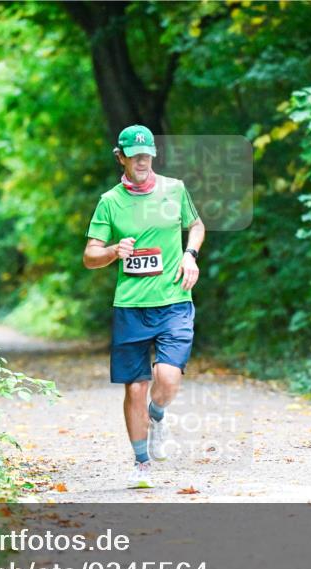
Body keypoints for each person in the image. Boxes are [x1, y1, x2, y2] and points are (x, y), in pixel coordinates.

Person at [83, 124, 205, 489]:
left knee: (167, 379)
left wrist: (189, 255)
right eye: (134, 155)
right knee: (134, 387)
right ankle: (141, 464)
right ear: (120, 156)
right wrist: (112, 252)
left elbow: (196, 225)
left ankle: (158, 416)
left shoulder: (174, 189)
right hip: (131, 307)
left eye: (147, 154)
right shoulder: (110, 201)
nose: (142, 160)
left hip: (173, 301)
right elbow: (90, 256)